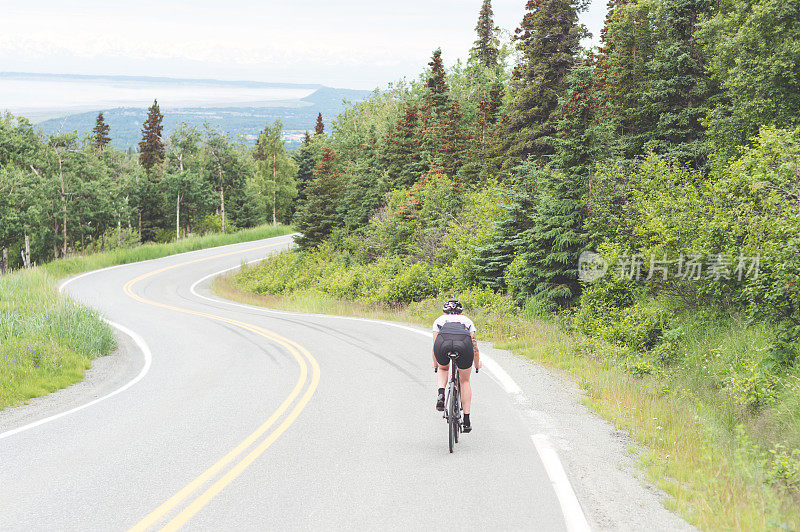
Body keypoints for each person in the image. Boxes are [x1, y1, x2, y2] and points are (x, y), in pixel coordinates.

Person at [432, 299, 481, 432]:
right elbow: (474, 345)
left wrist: (436, 365)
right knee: (464, 381)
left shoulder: (439, 320)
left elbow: (434, 344)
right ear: (460, 313)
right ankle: (466, 420)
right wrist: (477, 364)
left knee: (443, 368)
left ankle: (441, 394)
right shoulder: (467, 320)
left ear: (444, 311)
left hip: (443, 344)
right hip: (463, 344)